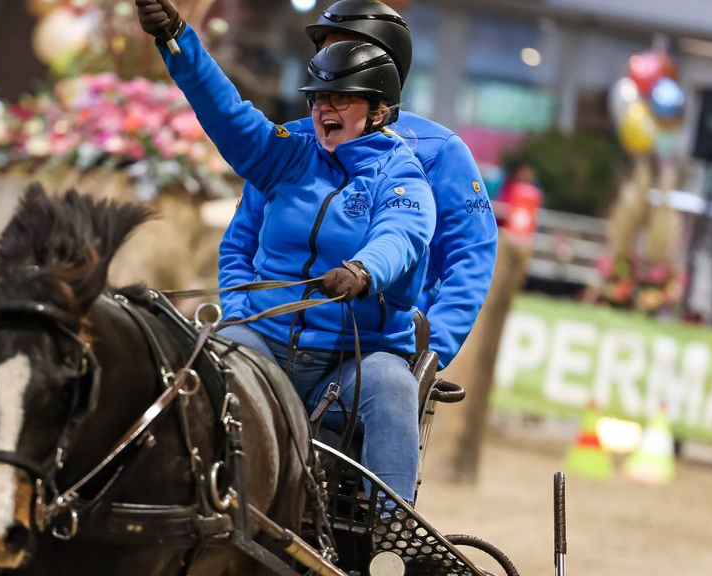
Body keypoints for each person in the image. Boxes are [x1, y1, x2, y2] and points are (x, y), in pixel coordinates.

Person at [136, 0, 435, 503]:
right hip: (263, 342)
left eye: (341, 98)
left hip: (351, 361)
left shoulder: (402, 176)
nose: (324, 109)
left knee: (393, 388)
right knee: (199, 368)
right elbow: (227, 113)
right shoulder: (288, 150)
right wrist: (177, 39)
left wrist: (364, 269)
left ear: (379, 110)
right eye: (318, 97)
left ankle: (390, 526)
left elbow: (402, 234)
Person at [224, 0, 498, 373]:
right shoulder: (295, 140)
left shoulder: (440, 150)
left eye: (346, 49)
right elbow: (242, 239)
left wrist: (430, 352)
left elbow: (470, 256)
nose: (329, 62)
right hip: (270, 333)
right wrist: (237, 312)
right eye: (324, 50)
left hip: (373, 351)